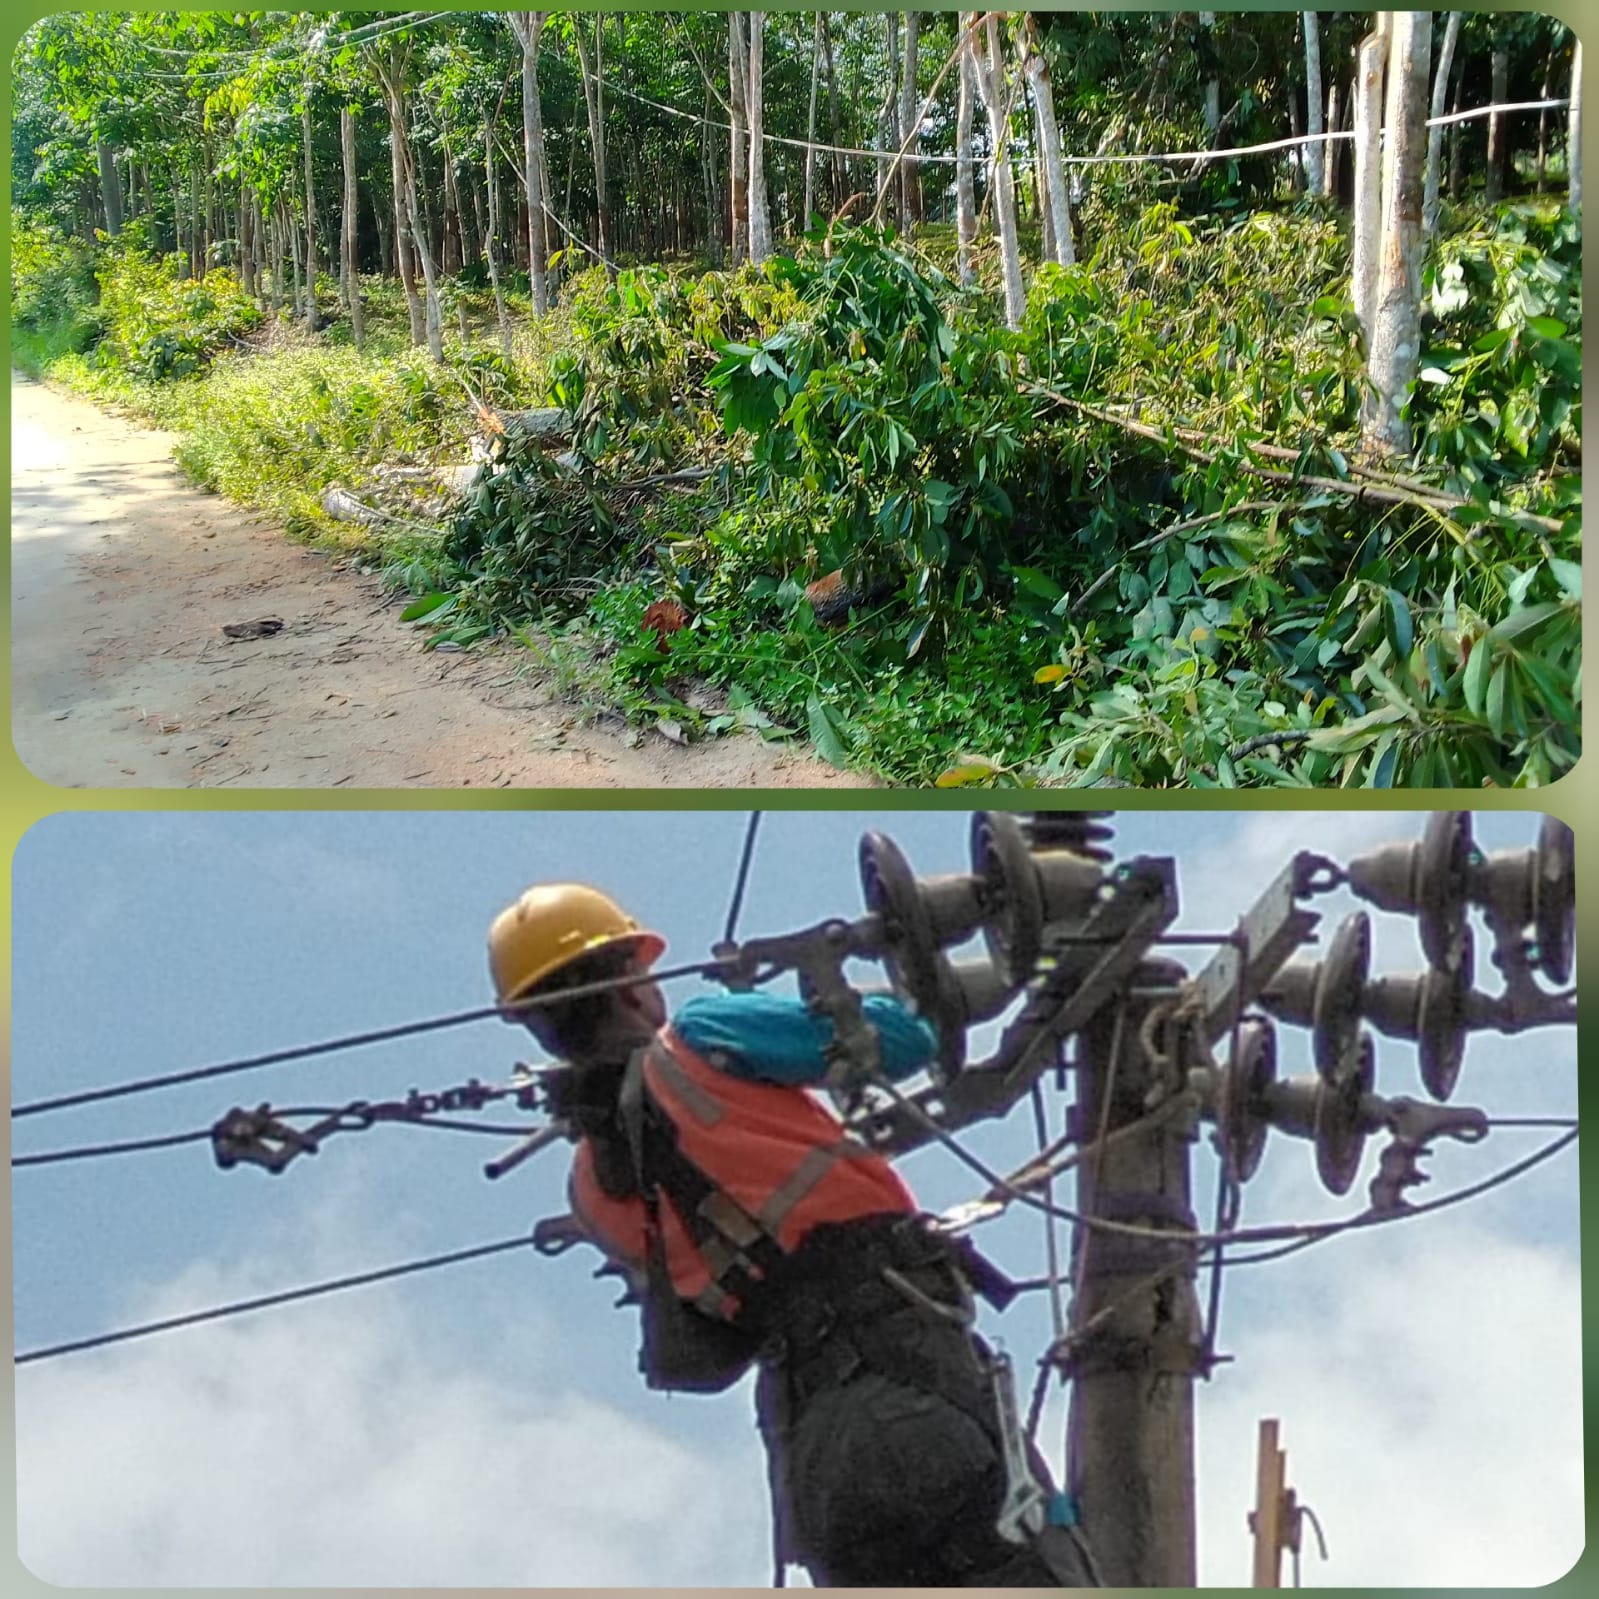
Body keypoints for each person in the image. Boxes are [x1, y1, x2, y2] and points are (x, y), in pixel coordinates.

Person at [488, 882, 1099, 1589]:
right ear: (631, 982)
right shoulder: (701, 1039)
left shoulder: (589, 1189)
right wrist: (910, 986)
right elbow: (899, 1040)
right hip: (909, 1390)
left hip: (809, 1459)